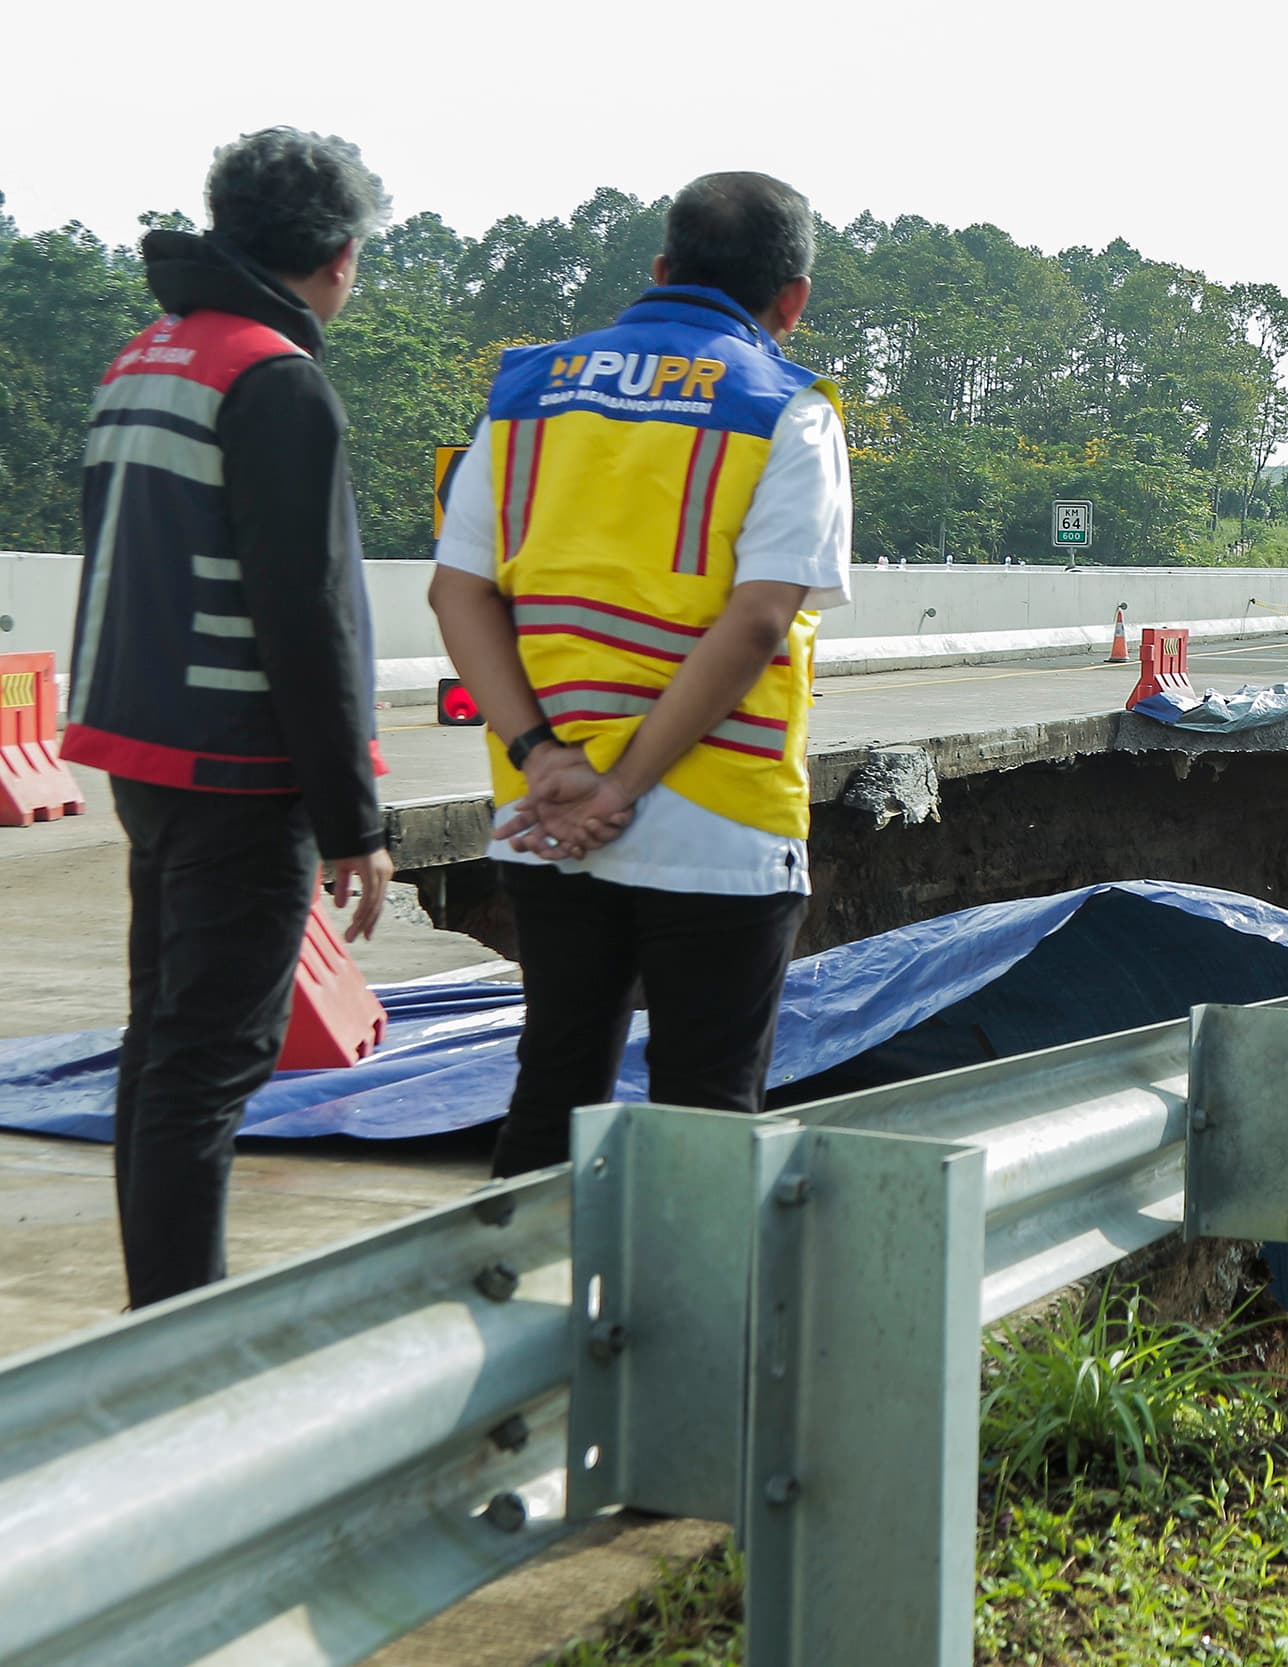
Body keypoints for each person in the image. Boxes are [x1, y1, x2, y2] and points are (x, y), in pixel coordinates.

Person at [430, 171, 851, 1178]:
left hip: (546, 813)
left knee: (552, 1090)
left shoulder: (527, 393)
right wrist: (620, 785)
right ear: (792, 298)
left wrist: (545, 758)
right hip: (718, 817)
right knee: (705, 1118)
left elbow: (457, 592)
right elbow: (758, 618)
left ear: (661, 270)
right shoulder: (788, 410)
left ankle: (518, 1278)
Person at [62, 128, 396, 1308]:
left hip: (143, 747)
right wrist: (353, 819)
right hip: (237, 765)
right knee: (210, 1057)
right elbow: (307, 615)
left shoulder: (149, 354)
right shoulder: (274, 378)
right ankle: (175, 1323)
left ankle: (159, 1301)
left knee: (165, 1039)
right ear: (340, 255)